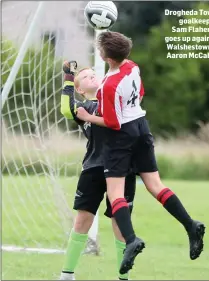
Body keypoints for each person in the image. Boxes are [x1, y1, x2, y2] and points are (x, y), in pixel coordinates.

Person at [76, 31, 206, 275]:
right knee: (155, 184)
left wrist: (88, 117)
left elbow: (112, 122)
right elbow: (140, 94)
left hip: (122, 135)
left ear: (106, 57)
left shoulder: (108, 86)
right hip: (141, 127)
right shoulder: (133, 67)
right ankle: (191, 225)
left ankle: (132, 239)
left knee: (115, 193)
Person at [59, 61, 136, 280]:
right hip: (93, 168)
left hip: (122, 170)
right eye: (85, 77)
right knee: (83, 219)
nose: (92, 76)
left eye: (94, 74)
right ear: (80, 89)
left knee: (120, 222)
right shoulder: (83, 109)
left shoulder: (114, 101)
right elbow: (65, 108)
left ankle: (123, 277)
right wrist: (68, 77)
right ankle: (67, 275)